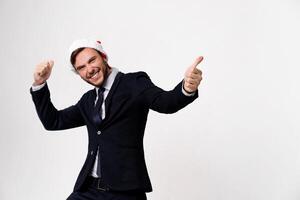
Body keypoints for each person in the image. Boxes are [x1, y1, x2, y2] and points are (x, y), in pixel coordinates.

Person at [30, 39, 203, 200]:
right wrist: (39, 84)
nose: (89, 69)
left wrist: (186, 88)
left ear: (103, 57)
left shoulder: (134, 83)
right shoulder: (88, 101)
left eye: (92, 60)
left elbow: (166, 103)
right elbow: (53, 121)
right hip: (88, 190)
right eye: (81, 67)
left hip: (125, 192)